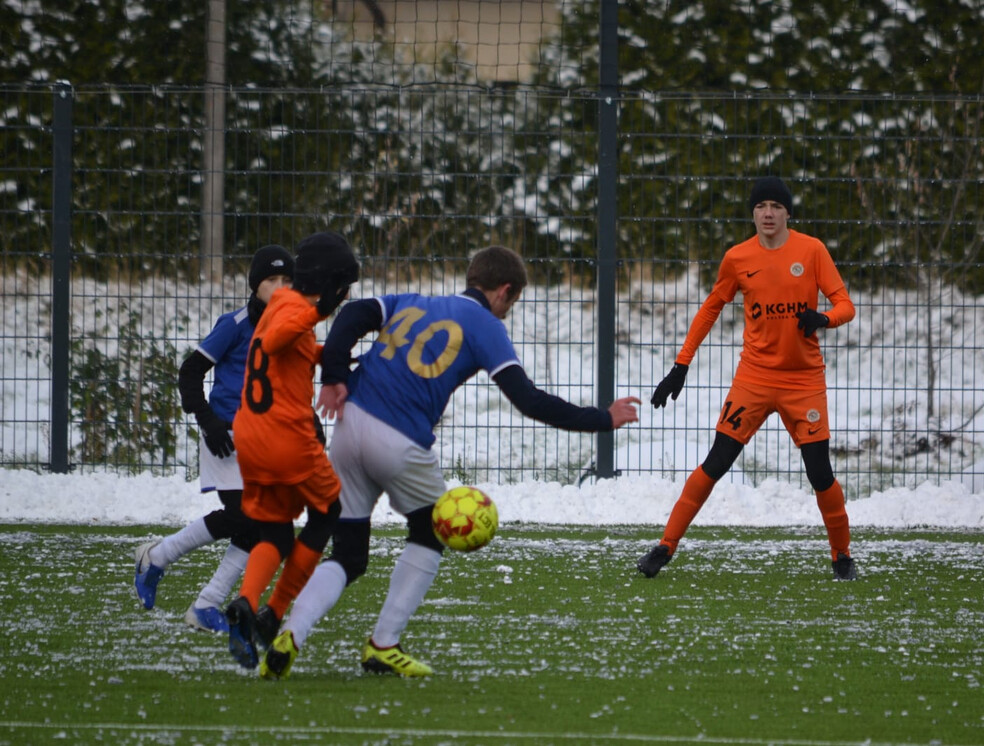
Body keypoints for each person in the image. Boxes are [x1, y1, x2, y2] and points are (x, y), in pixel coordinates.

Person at [257, 245, 641, 679]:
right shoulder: (485, 324)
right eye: (511, 303)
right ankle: (383, 644)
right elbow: (529, 400)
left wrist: (334, 377)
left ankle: (291, 633)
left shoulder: (417, 301)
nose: (507, 312)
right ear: (504, 290)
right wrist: (601, 419)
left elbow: (354, 313)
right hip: (398, 439)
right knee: (431, 530)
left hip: (349, 426)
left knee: (349, 554)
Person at [638, 176, 858, 581]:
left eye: (776, 206)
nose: (768, 213)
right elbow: (710, 309)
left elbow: (846, 305)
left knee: (820, 472)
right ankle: (664, 546)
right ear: (752, 213)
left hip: (803, 381)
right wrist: (680, 365)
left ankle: (842, 555)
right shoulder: (738, 258)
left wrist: (823, 318)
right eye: (761, 207)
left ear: (788, 212)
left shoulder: (811, 251)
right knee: (716, 461)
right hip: (753, 380)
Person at [133, 245, 294, 633]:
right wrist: (209, 421)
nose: (279, 287)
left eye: (287, 281)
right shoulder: (235, 325)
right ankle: (158, 556)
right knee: (244, 516)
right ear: (256, 285)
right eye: (271, 280)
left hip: (265, 442)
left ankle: (205, 606)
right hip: (227, 437)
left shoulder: (290, 329)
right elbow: (190, 372)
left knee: (258, 528)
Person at [222, 230, 359, 670]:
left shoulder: (280, 301)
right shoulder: (299, 309)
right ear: (331, 284)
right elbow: (281, 338)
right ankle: (274, 613)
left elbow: (286, 348)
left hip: (251, 435)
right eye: (345, 289)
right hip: (286, 437)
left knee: (276, 533)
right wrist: (320, 310)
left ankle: (245, 603)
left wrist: (332, 357)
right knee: (328, 512)